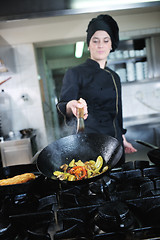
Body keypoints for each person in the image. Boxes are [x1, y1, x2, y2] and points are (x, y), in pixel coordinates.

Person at [57, 14, 137, 166]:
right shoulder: (75, 73)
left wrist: (122, 137)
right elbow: (64, 104)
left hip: (116, 146)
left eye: (105, 40)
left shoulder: (115, 76)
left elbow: (117, 114)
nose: (101, 45)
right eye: (95, 40)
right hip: (90, 147)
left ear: (111, 45)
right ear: (88, 45)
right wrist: (71, 106)